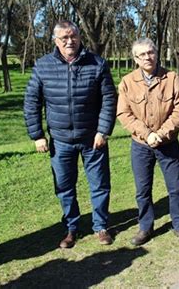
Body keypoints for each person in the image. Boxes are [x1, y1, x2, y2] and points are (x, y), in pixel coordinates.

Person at [24, 21, 117, 249]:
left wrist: (103, 130)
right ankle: (71, 228)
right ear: (55, 40)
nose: (69, 41)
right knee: (64, 187)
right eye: (64, 38)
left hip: (92, 139)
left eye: (73, 36)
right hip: (60, 141)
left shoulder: (97, 63)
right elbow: (31, 102)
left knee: (100, 185)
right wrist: (37, 135)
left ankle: (101, 226)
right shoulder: (43, 66)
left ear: (79, 37)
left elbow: (109, 100)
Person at [117, 38, 179, 246]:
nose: (147, 57)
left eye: (150, 52)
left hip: (168, 143)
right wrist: (147, 134)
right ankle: (145, 227)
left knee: (175, 187)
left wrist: (161, 133)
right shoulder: (127, 82)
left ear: (156, 53)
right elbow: (124, 113)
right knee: (142, 189)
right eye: (141, 55)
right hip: (140, 145)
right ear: (135, 59)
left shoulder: (171, 78)